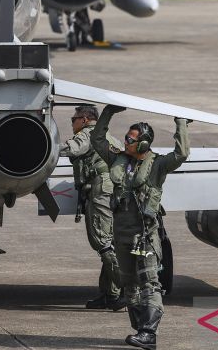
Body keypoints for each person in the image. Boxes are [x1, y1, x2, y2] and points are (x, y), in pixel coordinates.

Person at [91, 105, 190, 350]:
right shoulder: (117, 159)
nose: (126, 142)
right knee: (129, 284)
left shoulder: (158, 165)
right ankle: (140, 329)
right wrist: (108, 113)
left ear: (144, 144)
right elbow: (97, 139)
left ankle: (149, 333)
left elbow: (181, 154)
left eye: (131, 140)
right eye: (126, 137)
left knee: (149, 283)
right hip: (121, 234)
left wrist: (181, 124)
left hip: (143, 236)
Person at [60, 105, 125, 311]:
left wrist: (44, 146)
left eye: (74, 119)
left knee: (102, 241)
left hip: (99, 190)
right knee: (110, 241)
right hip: (113, 190)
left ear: (85, 119)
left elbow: (71, 149)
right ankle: (111, 294)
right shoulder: (111, 138)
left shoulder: (87, 134)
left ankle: (129, 290)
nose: (72, 122)